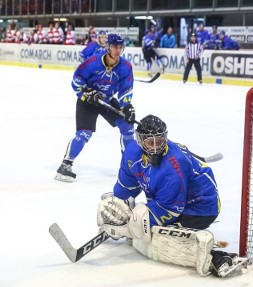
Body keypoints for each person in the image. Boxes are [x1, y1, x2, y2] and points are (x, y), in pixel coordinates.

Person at [96, 114, 240, 277]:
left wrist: (130, 226)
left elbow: (170, 208)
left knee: (154, 237)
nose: (156, 147)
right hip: (174, 198)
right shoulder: (131, 154)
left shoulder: (172, 168)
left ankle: (215, 257)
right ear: (140, 140)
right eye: (151, 142)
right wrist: (118, 209)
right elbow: (126, 186)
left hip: (200, 206)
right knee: (142, 228)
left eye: (160, 141)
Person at [55, 33, 135, 182]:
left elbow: (126, 90)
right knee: (84, 134)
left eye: (120, 47)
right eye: (114, 47)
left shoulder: (125, 67)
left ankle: (128, 165)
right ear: (107, 47)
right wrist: (86, 91)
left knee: (128, 126)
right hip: (88, 102)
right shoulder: (92, 62)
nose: (118, 50)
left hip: (107, 100)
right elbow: (76, 80)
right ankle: (65, 165)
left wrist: (127, 106)